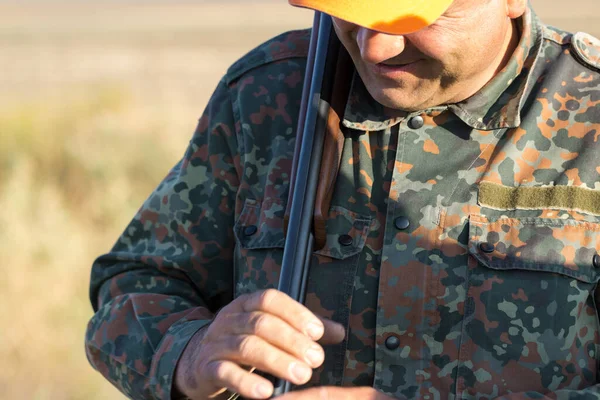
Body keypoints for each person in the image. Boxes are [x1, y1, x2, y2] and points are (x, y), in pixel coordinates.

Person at [85, 0, 600, 398]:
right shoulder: (268, 93)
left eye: (409, 15)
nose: (374, 48)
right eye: (350, 13)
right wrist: (191, 354)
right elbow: (134, 284)